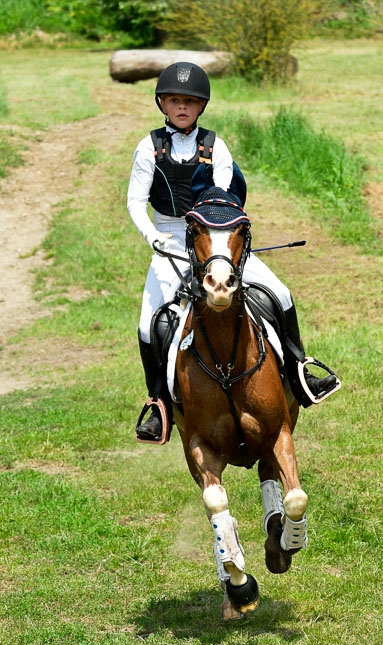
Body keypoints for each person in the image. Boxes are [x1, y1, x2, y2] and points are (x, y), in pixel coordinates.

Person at [128, 61, 338, 442]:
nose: (182, 108)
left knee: (281, 293)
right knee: (148, 326)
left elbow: (222, 199)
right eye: (174, 100)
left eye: (190, 102)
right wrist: (152, 237)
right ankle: (158, 403)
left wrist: (217, 239)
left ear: (201, 106)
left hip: (214, 238)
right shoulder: (148, 148)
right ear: (162, 104)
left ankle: (300, 370)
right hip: (169, 241)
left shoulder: (215, 146)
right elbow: (134, 203)